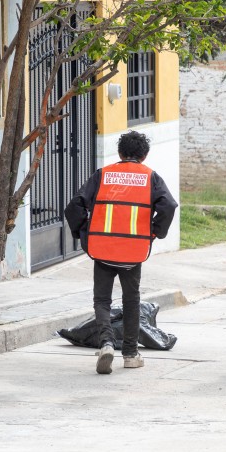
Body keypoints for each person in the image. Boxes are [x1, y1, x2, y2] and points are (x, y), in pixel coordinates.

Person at [65, 130, 178, 375]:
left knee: (102, 300)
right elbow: (169, 205)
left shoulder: (103, 175)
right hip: (133, 251)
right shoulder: (150, 177)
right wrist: (155, 232)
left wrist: (84, 233)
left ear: (119, 153)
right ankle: (130, 354)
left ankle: (106, 343)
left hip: (102, 249)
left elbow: (74, 205)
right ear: (144, 155)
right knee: (131, 300)